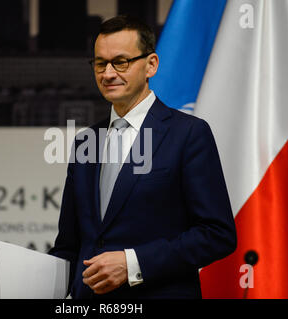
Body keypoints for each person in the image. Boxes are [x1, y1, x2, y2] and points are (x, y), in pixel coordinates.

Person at [48, 15, 236, 299]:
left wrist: (132, 263)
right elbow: (69, 246)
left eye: (121, 62)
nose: (108, 73)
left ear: (151, 65)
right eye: (100, 63)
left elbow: (216, 234)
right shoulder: (85, 141)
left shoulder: (188, 134)